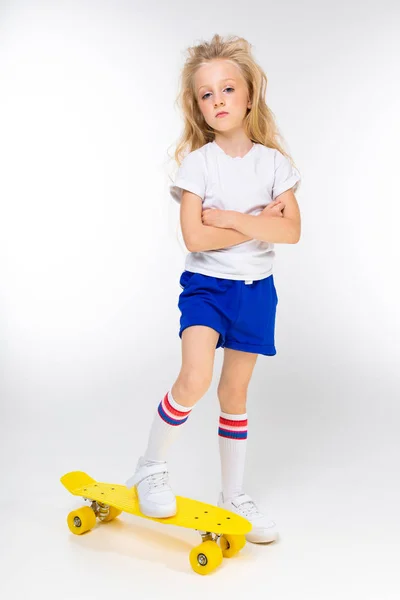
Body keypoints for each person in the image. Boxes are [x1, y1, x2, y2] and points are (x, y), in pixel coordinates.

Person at [126, 34, 301, 544]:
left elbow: (291, 231)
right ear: (198, 108)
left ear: (250, 96)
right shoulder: (197, 164)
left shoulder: (274, 164)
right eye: (207, 94)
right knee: (195, 378)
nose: (219, 99)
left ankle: (233, 493)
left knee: (234, 393)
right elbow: (195, 236)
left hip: (256, 292)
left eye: (228, 88)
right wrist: (252, 222)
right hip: (206, 287)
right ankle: (149, 466)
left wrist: (232, 218)